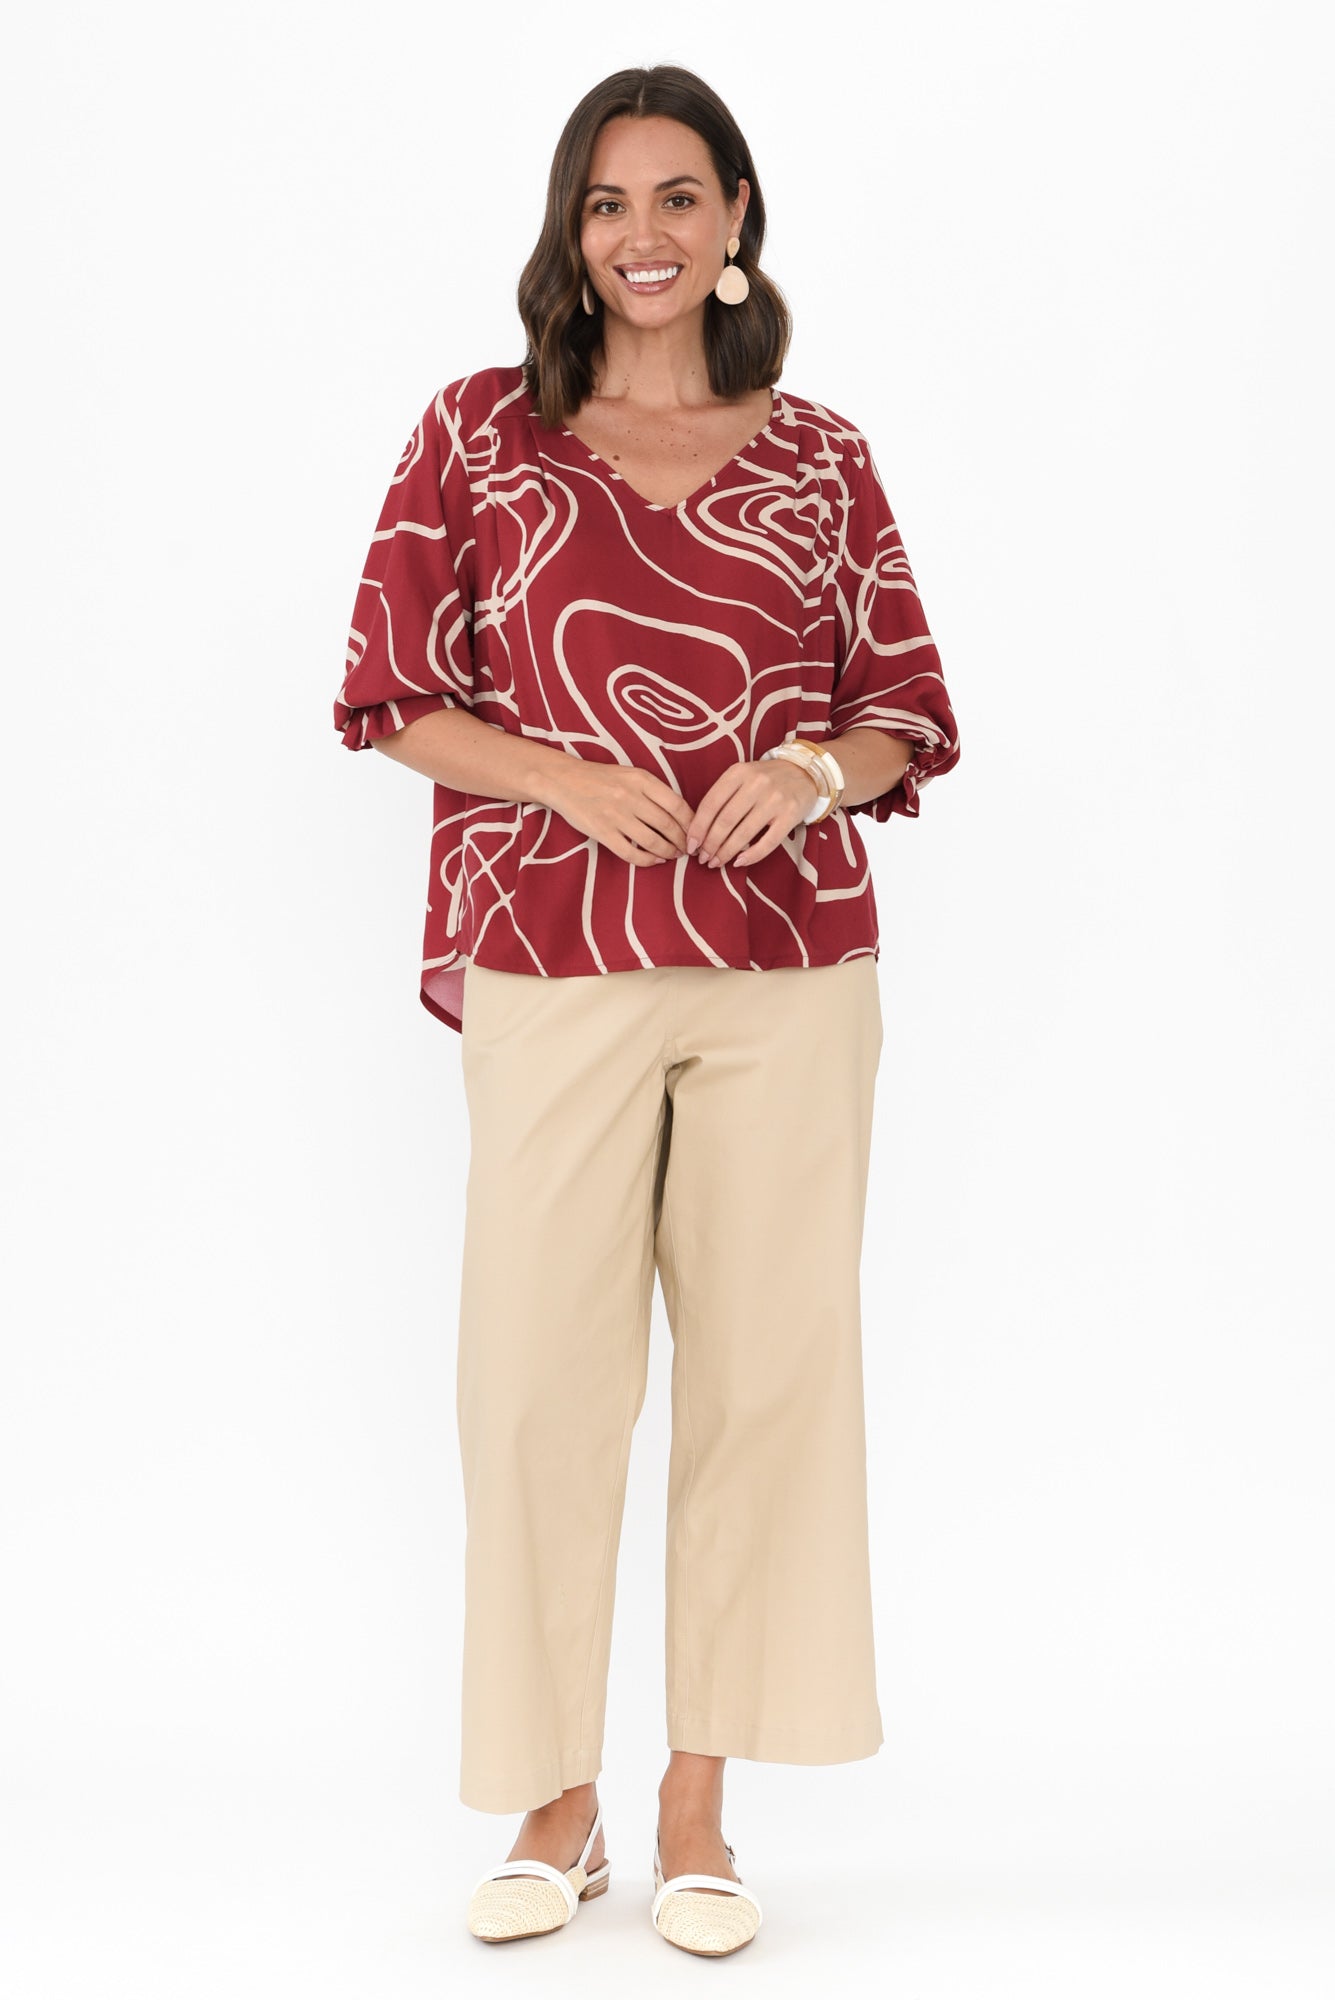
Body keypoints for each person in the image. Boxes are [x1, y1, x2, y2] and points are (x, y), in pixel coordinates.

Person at [333, 64, 961, 1958]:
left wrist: (813, 771)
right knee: (535, 1382)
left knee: (766, 1381)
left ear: (738, 216)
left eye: (680, 197)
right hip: (555, 953)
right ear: (572, 230)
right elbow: (389, 693)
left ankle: (698, 1804)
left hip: (787, 970)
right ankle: (556, 1797)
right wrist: (560, 777)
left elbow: (902, 706)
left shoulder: (823, 455)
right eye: (608, 204)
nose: (644, 235)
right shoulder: (480, 434)